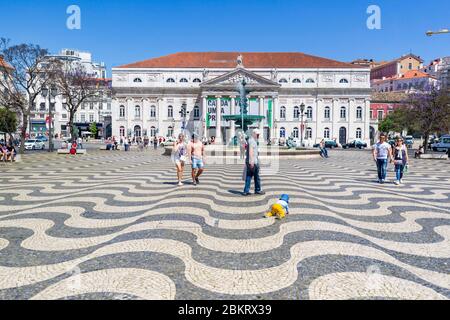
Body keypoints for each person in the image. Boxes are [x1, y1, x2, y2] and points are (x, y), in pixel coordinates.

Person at [243, 129, 264, 196]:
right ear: (254, 133)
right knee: (256, 177)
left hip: (251, 161)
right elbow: (251, 151)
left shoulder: (251, 140)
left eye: (259, 134)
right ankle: (257, 190)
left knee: (249, 176)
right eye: (257, 134)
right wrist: (251, 162)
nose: (258, 135)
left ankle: (246, 191)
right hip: (253, 162)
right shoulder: (252, 141)